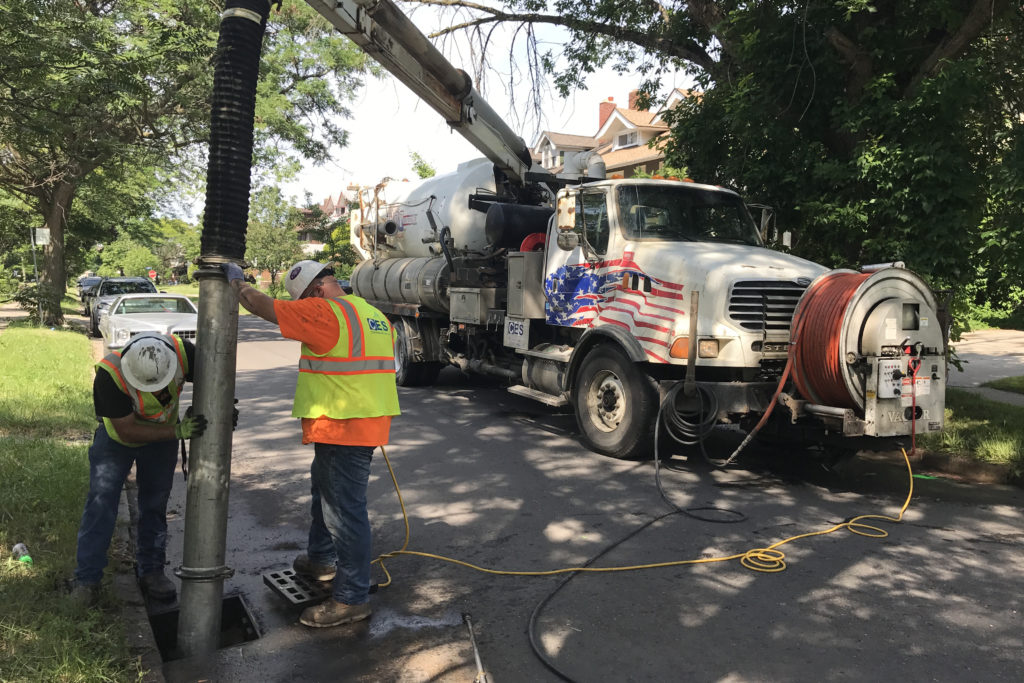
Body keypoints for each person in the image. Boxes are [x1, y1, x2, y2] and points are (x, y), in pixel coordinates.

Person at [221, 259, 400, 628]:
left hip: (342, 426)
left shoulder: (324, 312)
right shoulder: (372, 314)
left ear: (317, 291)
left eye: (303, 300)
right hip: (360, 422)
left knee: (344, 514)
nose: (302, 309)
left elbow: (259, 304)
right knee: (325, 493)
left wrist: (237, 281)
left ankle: (351, 599)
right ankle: (321, 560)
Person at [69, 332, 206, 605]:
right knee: (101, 504)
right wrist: (177, 431)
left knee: (155, 504)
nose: (154, 392)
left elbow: (215, 379)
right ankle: (87, 580)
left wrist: (217, 407)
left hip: (162, 440)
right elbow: (127, 430)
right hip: (117, 442)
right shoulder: (110, 376)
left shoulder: (183, 354)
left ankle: (151, 571)